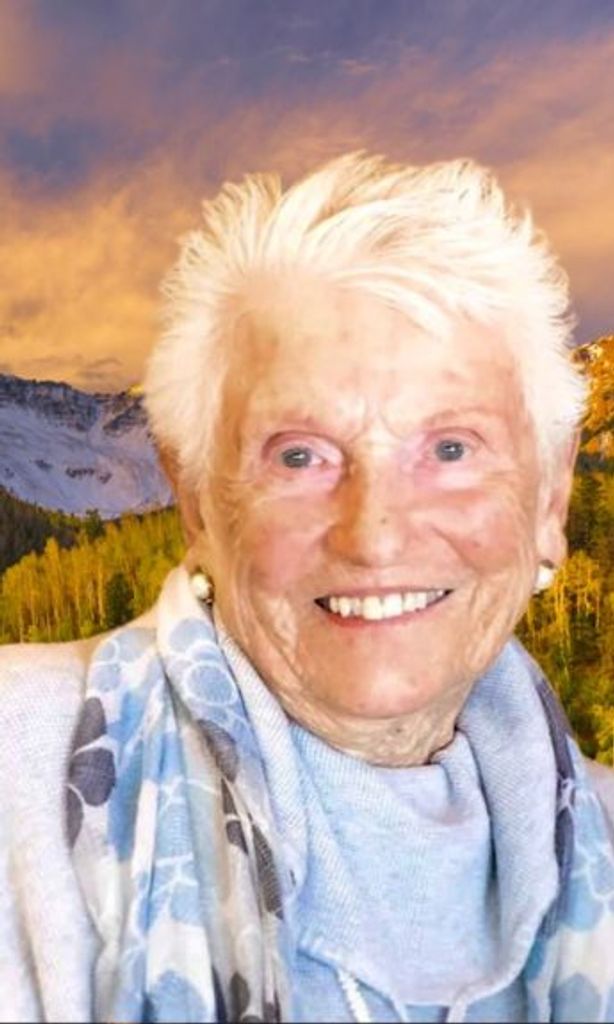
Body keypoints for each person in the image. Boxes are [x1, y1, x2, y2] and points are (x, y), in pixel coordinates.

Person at [1, 152, 613, 1024]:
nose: (376, 535)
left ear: (551, 499)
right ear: (199, 505)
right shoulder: (20, 764)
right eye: (300, 456)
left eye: (450, 449)